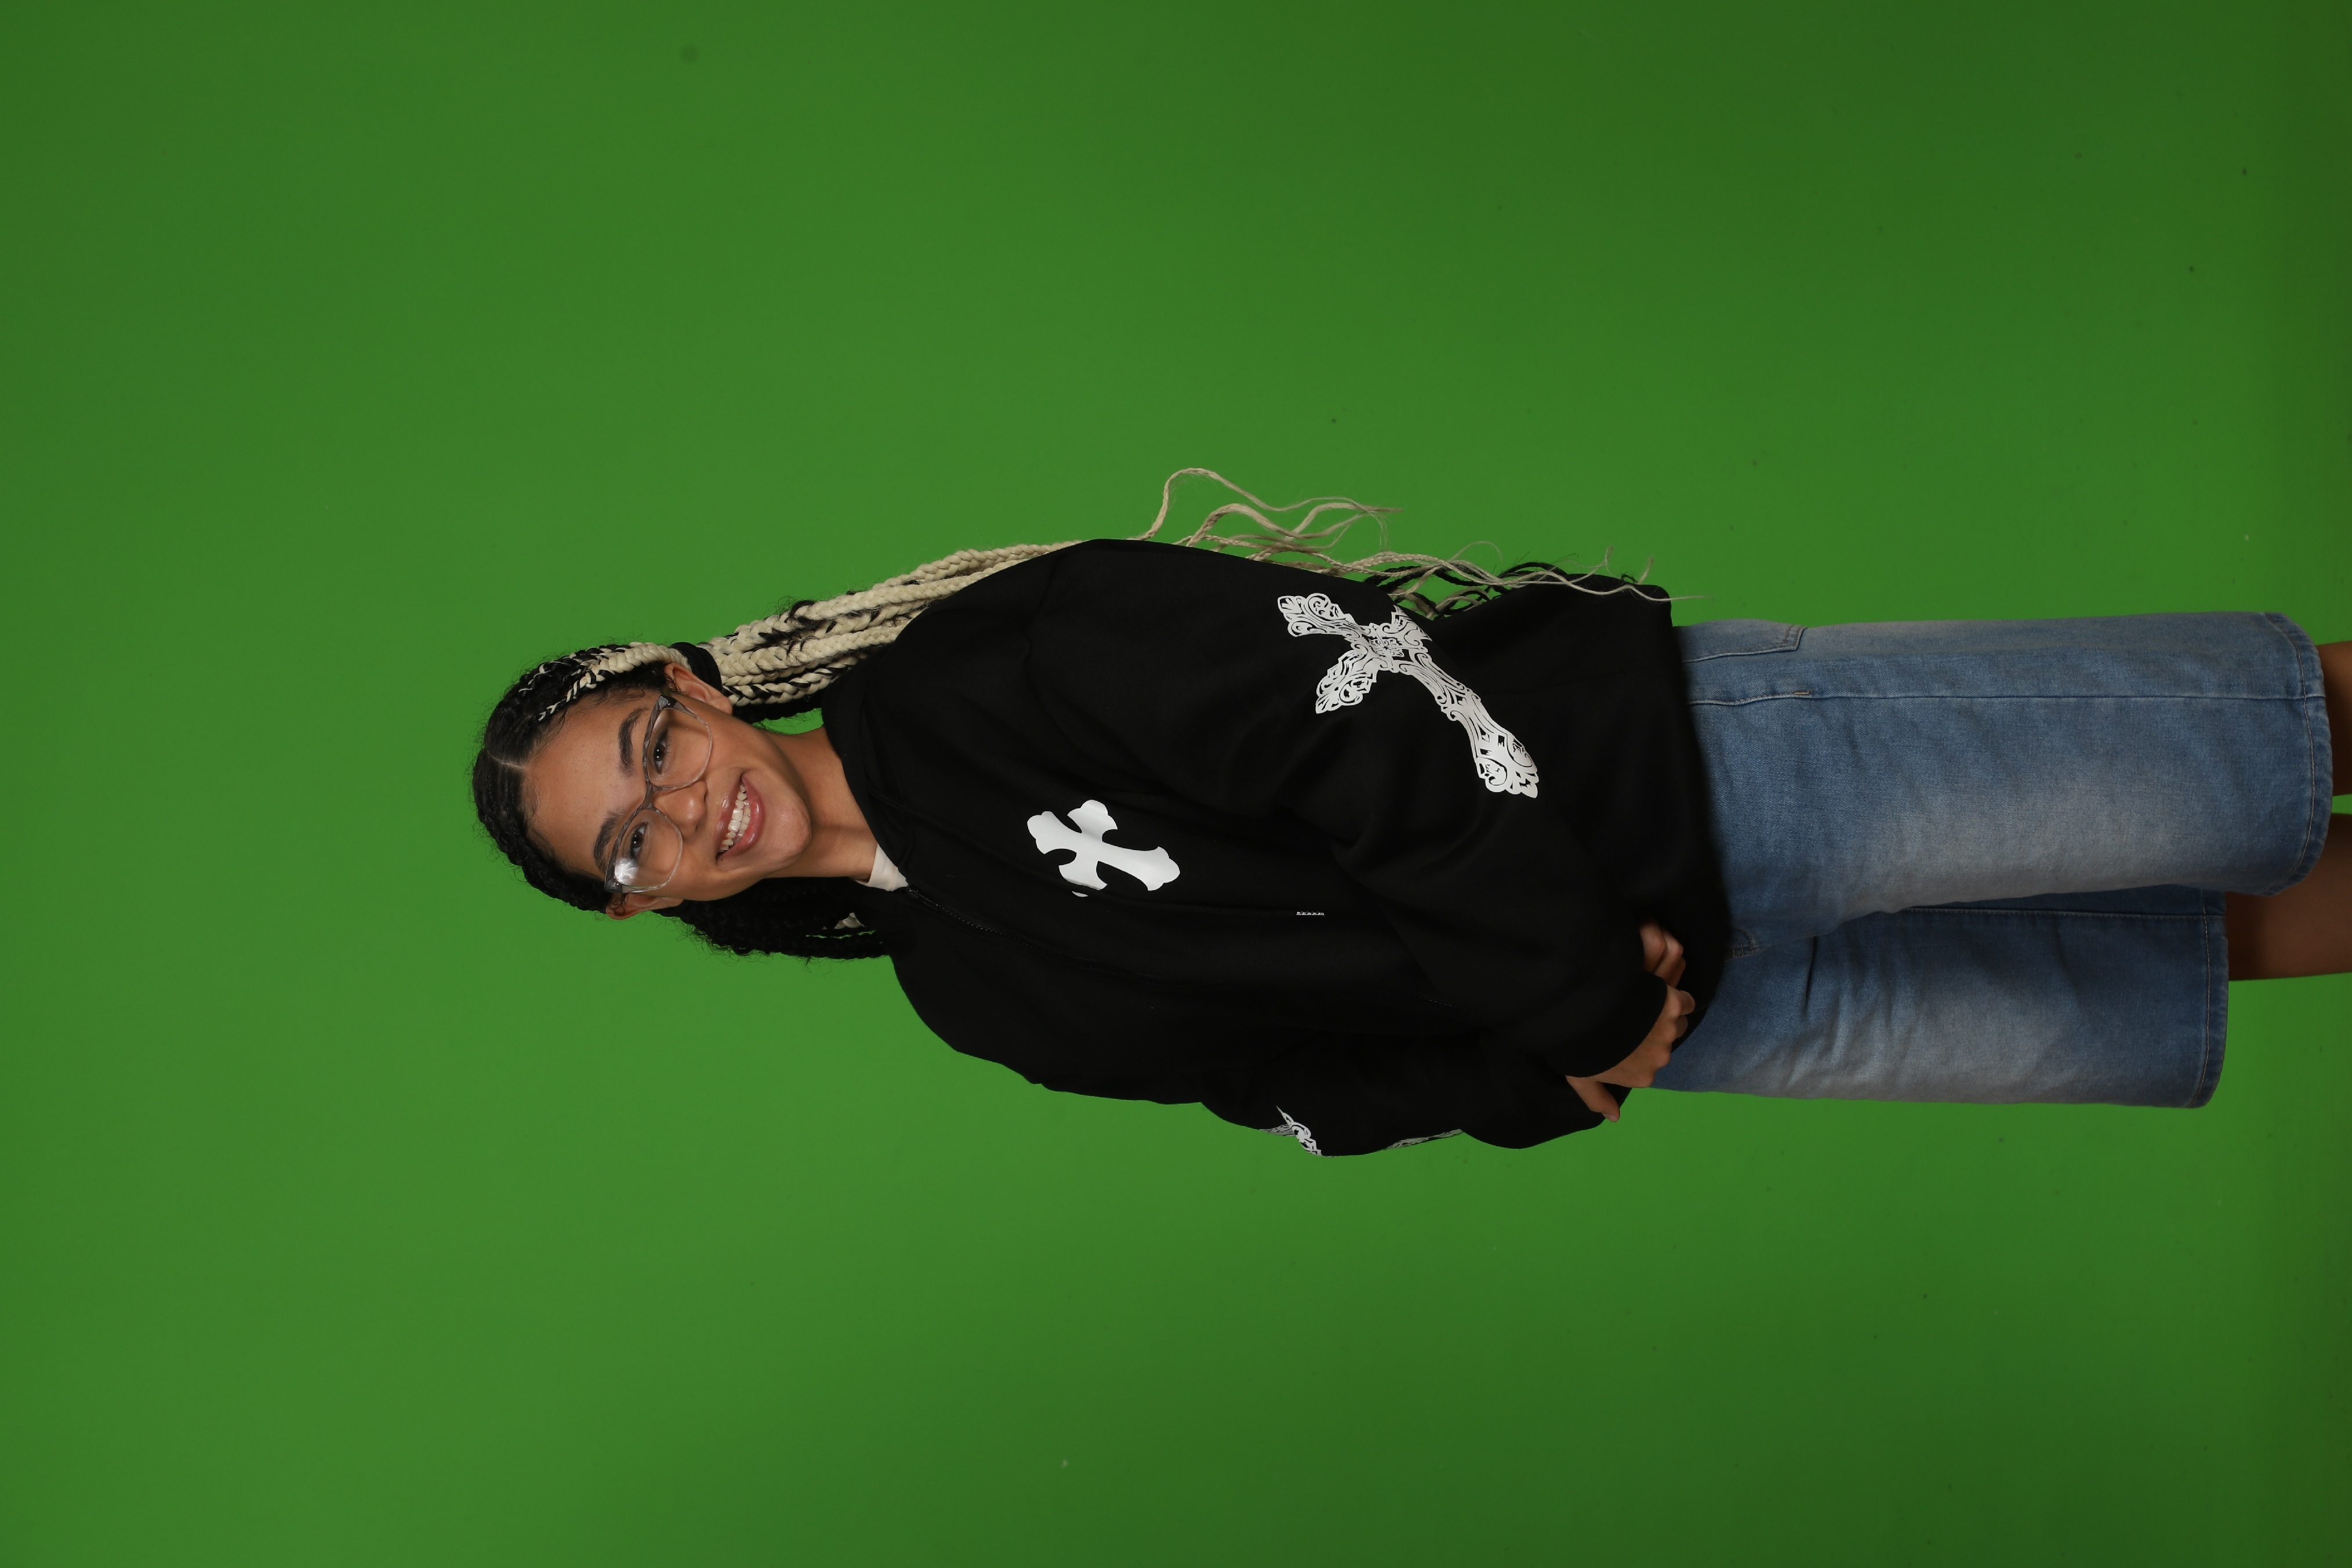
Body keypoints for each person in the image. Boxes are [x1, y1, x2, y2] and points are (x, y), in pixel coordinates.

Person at [472, 473, 2347, 1155]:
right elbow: (1279, 1085)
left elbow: (1354, 707)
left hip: (1689, 773)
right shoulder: (966, 991)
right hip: (1679, 1013)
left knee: (2236, 743)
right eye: (626, 844)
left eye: (648, 748)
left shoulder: (977, 672)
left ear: (692, 689)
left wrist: (1569, 993)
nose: (680, 811)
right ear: (642, 906)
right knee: (2160, 965)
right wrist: (1551, 1073)